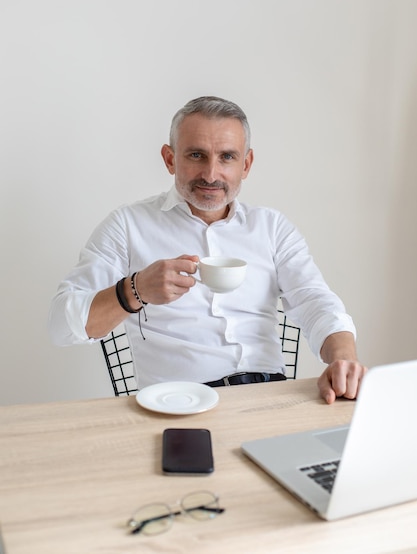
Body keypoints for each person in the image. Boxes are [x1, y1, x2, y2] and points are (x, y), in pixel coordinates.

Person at [49, 95, 367, 403]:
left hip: (269, 397)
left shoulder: (272, 227)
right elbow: (62, 326)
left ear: (247, 164)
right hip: (178, 404)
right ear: (170, 158)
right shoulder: (128, 225)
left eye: (227, 156)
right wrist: (136, 289)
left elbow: (317, 303)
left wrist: (343, 361)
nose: (211, 174)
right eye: (196, 155)